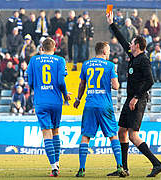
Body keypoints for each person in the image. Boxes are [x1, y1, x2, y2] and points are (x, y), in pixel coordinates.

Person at [106, 11, 161, 177]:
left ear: (138, 46)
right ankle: (123, 169)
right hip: (130, 99)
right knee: (121, 132)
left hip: (137, 100)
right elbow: (122, 40)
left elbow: (150, 81)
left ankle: (157, 163)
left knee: (132, 135)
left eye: (132, 43)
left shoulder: (143, 60)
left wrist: (136, 98)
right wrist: (111, 24)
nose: (129, 45)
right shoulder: (133, 57)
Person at [73, 41, 126, 177]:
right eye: (108, 50)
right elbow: (115, 87)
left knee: (85, 136)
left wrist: (78, 99)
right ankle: (120, 166)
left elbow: (81, 84)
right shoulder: (109, 65)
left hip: (89, 103)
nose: (109, 53)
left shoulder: (86, 64)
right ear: (103, 51)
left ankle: (81, 169)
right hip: (104, 105)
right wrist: (114, 79)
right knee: (113, 135)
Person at [27, 38, 71, 177]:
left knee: (46, 133)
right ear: (55, 47)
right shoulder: (60, 60)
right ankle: (57, 162)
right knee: (56, 131)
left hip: (41, 100)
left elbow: (30, 82)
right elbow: (60, 81)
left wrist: (40, 89)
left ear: (42, 48)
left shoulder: (34, 60)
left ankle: (54, 167)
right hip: (56, 101)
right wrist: (65, 95)